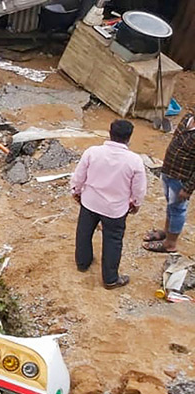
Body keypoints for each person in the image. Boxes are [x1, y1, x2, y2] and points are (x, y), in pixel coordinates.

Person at [71, 119, 146, 289]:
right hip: (115, 209)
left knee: (83, 233)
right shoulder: (134, 161)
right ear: (129, 138)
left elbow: (79, 176)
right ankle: (110, 279)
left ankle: (83, 262)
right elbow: (139, 188)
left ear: (110, 133)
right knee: (112, 241)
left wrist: (76, 191)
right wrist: (136, 203)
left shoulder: (92, 152)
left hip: (90, 202)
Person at [144, 113, 195, 253]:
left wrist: (188, 188)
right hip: (168, 172)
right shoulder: (187, 119)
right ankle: (167, 233)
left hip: (181, 178)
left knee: (178, 209)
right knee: (171, 205)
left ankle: (170, 244)